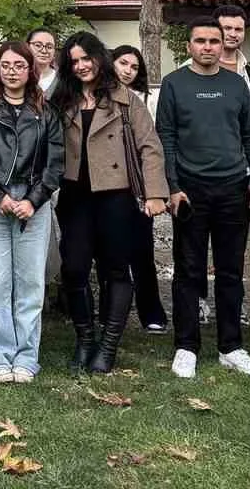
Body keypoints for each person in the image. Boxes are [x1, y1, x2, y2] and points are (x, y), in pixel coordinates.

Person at [157, 18, 250, 380]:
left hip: (234, 187)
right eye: (200, 40)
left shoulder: (237, 84)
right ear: (189, 45)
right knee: (188, 270)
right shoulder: (174, 84)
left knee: (231, 270)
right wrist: (172, 187)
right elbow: (166, 139)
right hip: (190, 191)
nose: (207, 47)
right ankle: (186, 346)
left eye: (214, 41)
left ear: (224, 45)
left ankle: (231, 347)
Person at [54, 33, 167, 376]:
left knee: (117, 269)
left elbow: (150, 146)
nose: (82, 65)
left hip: (115, 196)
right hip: (74, 195)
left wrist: (155, 194)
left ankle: (108, 345)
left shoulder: (124, 99)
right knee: (73, 269)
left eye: (86, 58)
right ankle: (85, 339)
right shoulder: (62, 100)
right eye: (74, 61)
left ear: (99, 58)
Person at [0, 40, 66, 383]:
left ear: (31, 69)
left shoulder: (47, 112)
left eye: (19, 65)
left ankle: (27, 356)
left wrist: (33, 199)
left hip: (33, 204)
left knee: (29, 283)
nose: (12, 71)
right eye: (6, 65)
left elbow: (55, 163)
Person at [112, 44, 167, 333]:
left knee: (142, 251)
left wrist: (155, 190)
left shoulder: (148, 99)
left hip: (139, 186)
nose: (128, 70)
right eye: (123, 63)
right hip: (109, 183)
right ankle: (112, 313)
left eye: (134, 67)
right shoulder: (97, 97)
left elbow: (152, 145)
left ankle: (152, 312)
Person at [28, 28, 59, 94]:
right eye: (38, 45)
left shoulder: (63, 80)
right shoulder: (19, 76)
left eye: (49, 47)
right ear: (27, 46)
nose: (44, 51)